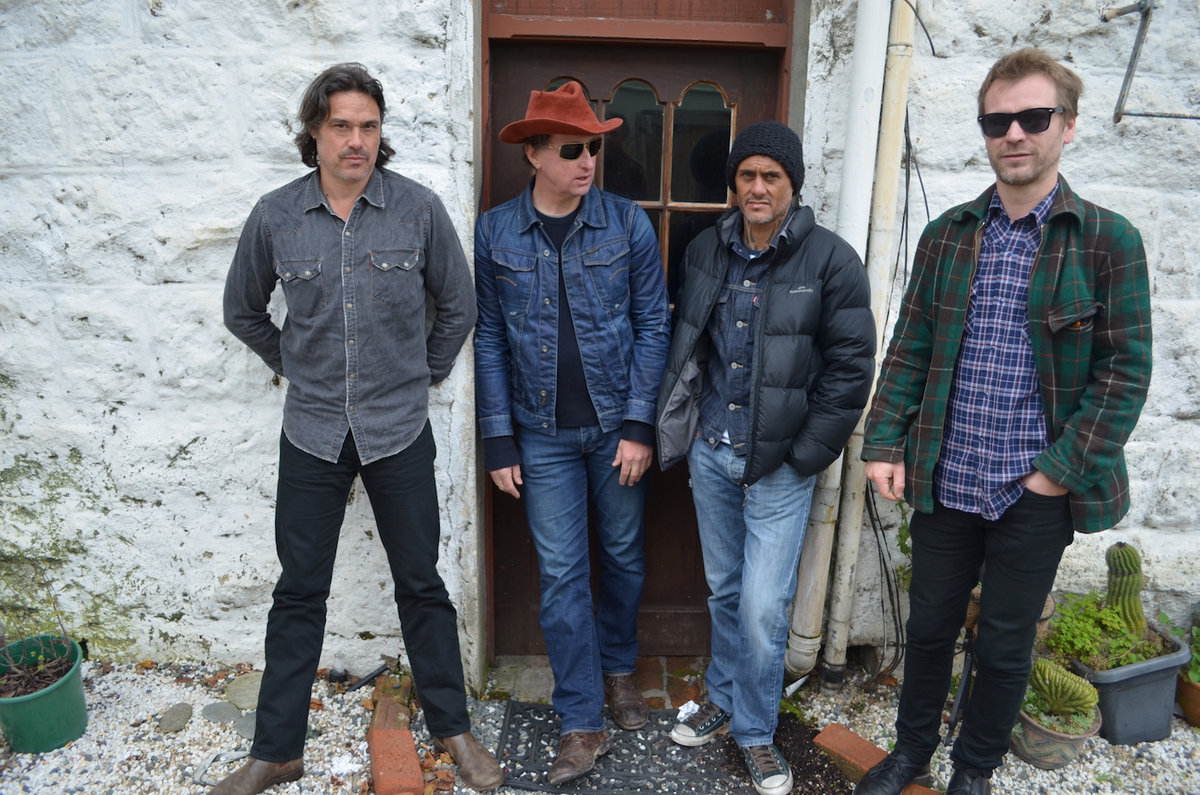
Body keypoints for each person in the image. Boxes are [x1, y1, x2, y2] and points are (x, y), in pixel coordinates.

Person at [857, 48, 1152, 795]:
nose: (1014, 133)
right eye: (997, 121)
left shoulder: (1107, 241)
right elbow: (911, 345)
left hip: (1035, 489)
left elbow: (1125, 372)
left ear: (1068, 126)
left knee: (1006, 642)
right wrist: (885, 440)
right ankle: (912, 752)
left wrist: (1058, 473)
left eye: (1033, 117)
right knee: (928, 629)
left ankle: (975, 770)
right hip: (947, 474)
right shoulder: (948, 235)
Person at [219, 63, 502, 795]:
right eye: (341, 125)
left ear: (381, 133)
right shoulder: (276, 216)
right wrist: (294, 365)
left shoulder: (417, 210)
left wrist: (422, 373)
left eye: (368, 126)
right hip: (312, 431)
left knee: (422, 584)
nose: (356, 140)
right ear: (314, 133)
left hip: (397, 428)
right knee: (298, 591)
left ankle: (454, 729)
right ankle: (276, 750)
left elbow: (460, 306)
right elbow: (243, 310)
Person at [656, 120, 876, 795]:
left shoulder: (830, 260)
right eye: (747, 175)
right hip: (712, 452)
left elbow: (850, 369)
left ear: (792, 185)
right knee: (725, 590)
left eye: (771, 176)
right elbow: (688, 339)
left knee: (761, 605)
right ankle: (724, 698)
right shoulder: (705, 249)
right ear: (734, 183)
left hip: (780, 464)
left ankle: (755, 731)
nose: (757, 187)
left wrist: (806, 455)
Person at [474, 81, 671, 785]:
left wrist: (639, 423)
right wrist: (498, 438)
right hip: (540, 434)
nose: (587, 160)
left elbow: (654, 324)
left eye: (593, 147)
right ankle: (581, 719)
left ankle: (619, 668)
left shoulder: (626, 223)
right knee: (561, 574)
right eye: (570, 149)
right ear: (533, 154)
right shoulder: (496, 232)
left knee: (621, 556)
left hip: (617, 428)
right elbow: (488, 337)